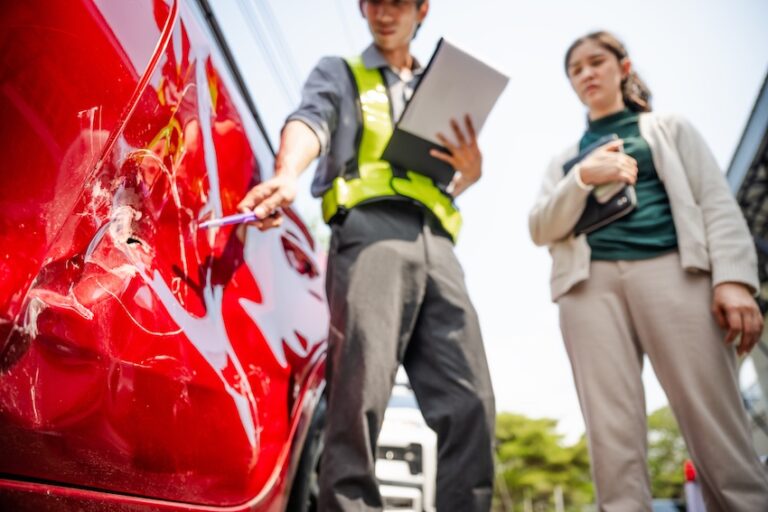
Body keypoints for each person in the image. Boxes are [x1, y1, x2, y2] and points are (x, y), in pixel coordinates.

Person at [237, 1, 495, 510]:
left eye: (399, 2)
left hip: (438, 247)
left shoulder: (440, 87)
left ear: (422, 10)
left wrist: (472, 171)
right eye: (374, 0)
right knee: (358, 399)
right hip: (369, 235)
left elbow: (451, 172)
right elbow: (310, 120)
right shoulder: (341, 72)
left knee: (473, 404)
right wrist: (288, 172)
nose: (385, 12)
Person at [529, 30, 768, 511]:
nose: (586, 74)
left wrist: (735, 281)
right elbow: (540, 227)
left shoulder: (669, 127)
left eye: (596, 62)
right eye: (575, 70)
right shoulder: (564, 159)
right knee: (610, 432)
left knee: (715, 424)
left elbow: (717, 205)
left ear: (624, 67)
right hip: (588, 287)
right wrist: (581, 178)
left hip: (675, 274)